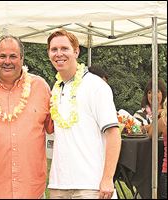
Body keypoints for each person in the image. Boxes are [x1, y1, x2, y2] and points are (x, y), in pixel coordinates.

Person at [0, 35, 54, 198]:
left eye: (13, 56)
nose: (7, 61)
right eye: (2, 56)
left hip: (31, 188)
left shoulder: (40, 87)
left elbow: (54, 126)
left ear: (22, 58)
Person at [47, 29, 121, 199]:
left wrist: (107, 179)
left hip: (91, 185)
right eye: (54, 49)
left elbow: (113, 134)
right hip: (59, 185)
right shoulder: (56, 88)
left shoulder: (96, 86)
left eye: (64, 48)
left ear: (76, 51)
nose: (59, 54)